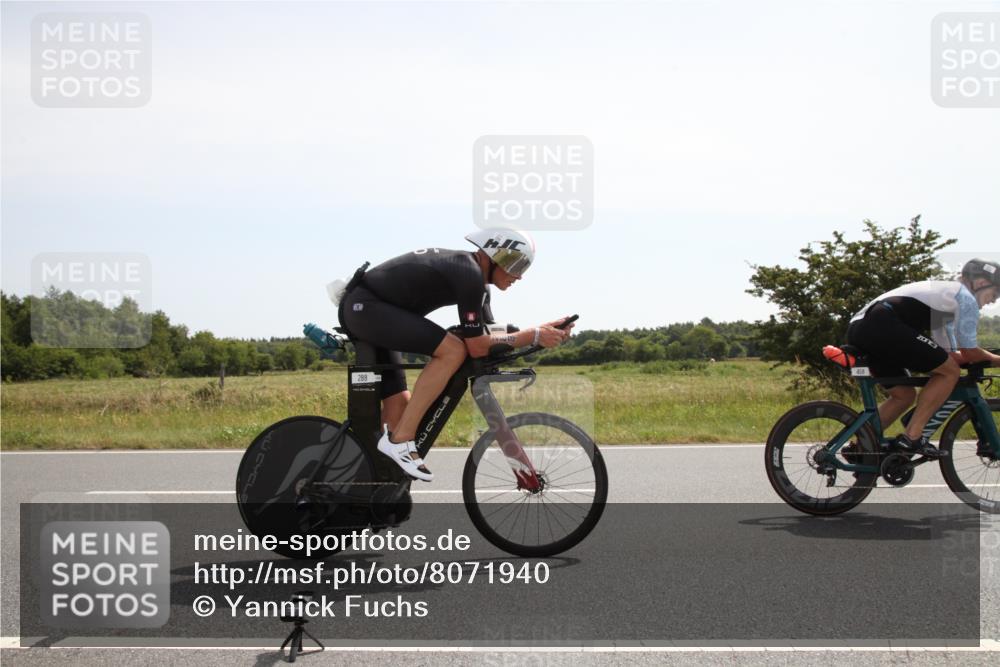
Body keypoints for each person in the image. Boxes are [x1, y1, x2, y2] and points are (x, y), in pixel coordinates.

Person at [337, 229, 575, 481]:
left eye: (524, 268)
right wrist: (534, 335)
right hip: (365, 309)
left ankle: (373, 486)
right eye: (517, 265)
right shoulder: (469, 274)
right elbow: (477, 346)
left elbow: (491, 335)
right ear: (496, 256)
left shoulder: (478, 283)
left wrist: (543, 330)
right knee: (453, 350)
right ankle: (401, 440)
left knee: (398, 409)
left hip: (375, 312)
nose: (519, 276)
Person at [846, 258, 1000, 458]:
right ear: (981, 283)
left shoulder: (947, 297)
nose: (994, 301)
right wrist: (995, 359)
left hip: (862, 328)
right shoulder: (965, 298)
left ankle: (860, 447)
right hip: (882, 324)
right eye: (995, 294)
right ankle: (912, 437)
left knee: (904, 395)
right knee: (949, 372)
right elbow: (969, 353)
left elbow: (949, 354)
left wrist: (980, 356)